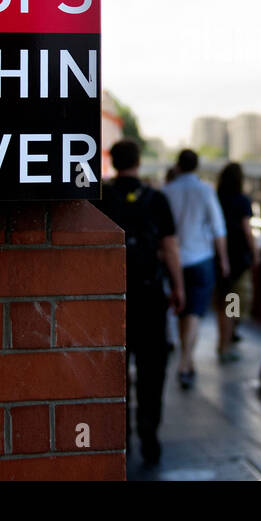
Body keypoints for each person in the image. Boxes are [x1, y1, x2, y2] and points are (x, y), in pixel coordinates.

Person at [95, 139, 183, 464]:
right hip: (149, 295)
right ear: (139, 162)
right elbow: (170, 247)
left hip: (110, 297)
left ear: (113, 162)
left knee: (114, 369)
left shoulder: (101, 197)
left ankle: (120, 439)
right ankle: (149, 436)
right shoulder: (156, 199)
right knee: (152, 368)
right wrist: (178, 287)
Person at [162, 149, 228, 389]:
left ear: (178, 165)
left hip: (173, 261)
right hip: (201, 259)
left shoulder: (166, 192)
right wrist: (224, 259)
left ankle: (186, 359)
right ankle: (186, 361)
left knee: (182, 310)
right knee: (194, 313)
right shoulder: (205, 191)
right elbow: (219, 229)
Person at [215, 162, 259, 363]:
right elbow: (247, 230)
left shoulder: (217, 198)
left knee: (223, 303)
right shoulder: (242, 201)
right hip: (238, 260)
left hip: (218, 256)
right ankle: (227, 345)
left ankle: (224, 343)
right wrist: (255, 252)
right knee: (234, 304)